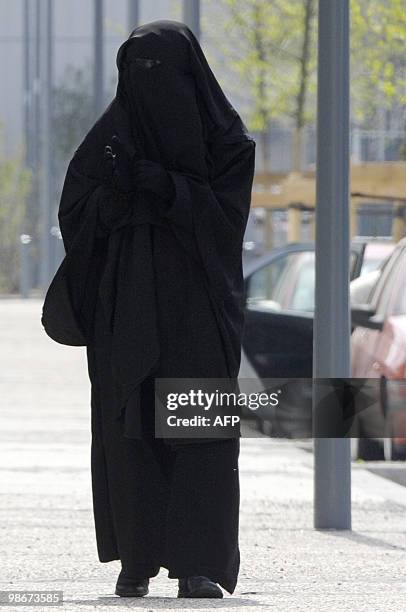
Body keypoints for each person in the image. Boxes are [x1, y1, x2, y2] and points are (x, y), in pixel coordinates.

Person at [42, 20, 255, 599]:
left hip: (199, 310)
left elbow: (225, 223)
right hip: (127, 311)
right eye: (140, 73)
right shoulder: (108, 141)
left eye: (163, 72)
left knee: (198, 430)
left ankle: (199, 565)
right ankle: (135, 561)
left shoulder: (227, 145)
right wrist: (113, 197)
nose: (151, 85)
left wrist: (166, 187)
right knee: (129, 433)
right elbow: (77, 215)